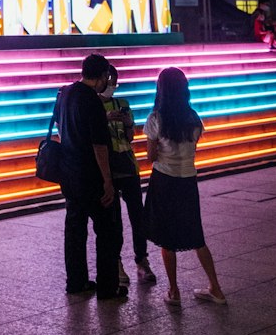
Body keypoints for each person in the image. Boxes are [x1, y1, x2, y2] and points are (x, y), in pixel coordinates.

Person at [144, 67, 225, 307]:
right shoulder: (193, 118)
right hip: (188, 180)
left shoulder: (156, 118)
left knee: (167, 239)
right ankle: (216, 288)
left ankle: (173, 290)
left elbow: (150, 156)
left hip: (164, 180)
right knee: (196, 236)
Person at [51, 52, 124, 301]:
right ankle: (107, 287)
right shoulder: (92, 100)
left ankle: (77, 281)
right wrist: (107, 181)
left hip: (69, 174)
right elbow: (99, 146)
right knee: (107, 231)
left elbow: (64, 130)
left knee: (75, 229)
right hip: (91, 176)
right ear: (102, 76)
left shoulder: (65, 94)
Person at [101, 64, 156, 285]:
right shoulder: (93, 105)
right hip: (108, 168)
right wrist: (105, 118)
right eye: (109, 80)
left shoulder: (122, 104)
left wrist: (126, 123)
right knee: (113, 219)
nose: (112, 86)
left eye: (115, 81)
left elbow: (131, 137)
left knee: (137, 215)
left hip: (128, 165)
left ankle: (141, 260)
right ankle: (116, 262)